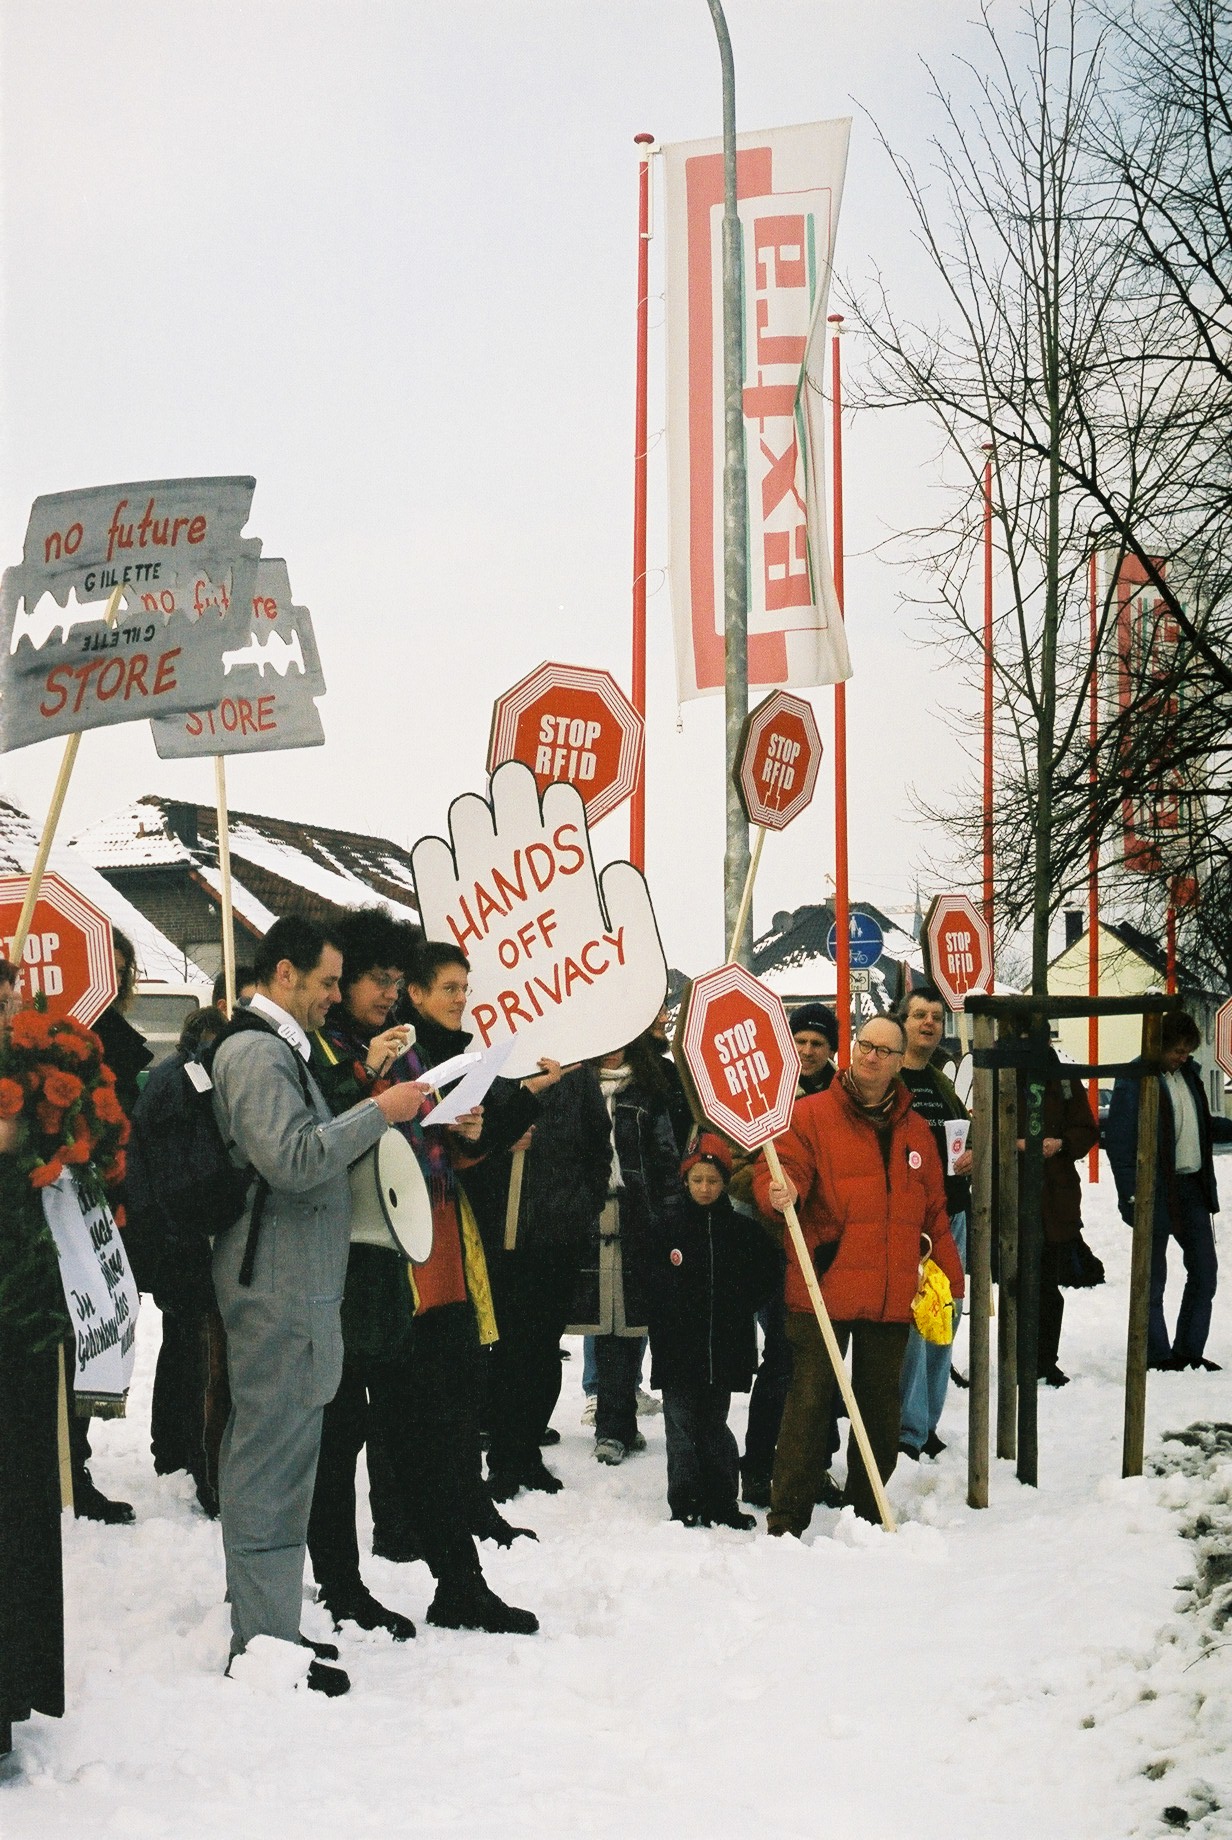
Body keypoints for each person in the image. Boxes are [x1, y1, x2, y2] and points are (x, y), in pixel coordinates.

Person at [209, 914, 429, 1695]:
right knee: (271, 1465)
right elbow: (295, 1158)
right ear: (284, 975)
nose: (335, 997)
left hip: (291, 1283)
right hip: (278, 1289)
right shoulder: (256, 1053)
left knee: (281, 1463)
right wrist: (382, 1110)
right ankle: (262, 1644)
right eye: (328, 982)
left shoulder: (273, 1051)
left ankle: (267, 1626)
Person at [361, 937, 540, 1633]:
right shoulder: (371, 1050)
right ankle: (389, 1547)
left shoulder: (428, 1051)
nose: (459, 999)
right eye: (446, 988)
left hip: (436, 1246)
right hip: (391, 1255)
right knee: (398, 1417)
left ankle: (456, 1572)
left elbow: (447, 1152)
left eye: (465, 988)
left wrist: (476, 1129)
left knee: (439, 1410)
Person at [754, 1013, 963, 1530]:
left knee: (879, 1406)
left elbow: (934, 1208)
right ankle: (787, 1518)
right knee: (809, 1403)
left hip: (891, 1290)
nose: (872, 1056)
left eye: (885, 1051)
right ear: (852, 1049)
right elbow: (781, 1168)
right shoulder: (810, 1114)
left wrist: (949, 1277)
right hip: (824, 1283)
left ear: (899, 1063)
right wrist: (781, 1193)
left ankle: (868, 1512)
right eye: (865, 1045)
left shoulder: (915, 1128)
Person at [483, 1064, 612, 1499]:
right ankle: (502, 1456)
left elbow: (599, 1144)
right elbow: (470, 1140)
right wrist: (502, 1145)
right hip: (503, 1233)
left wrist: (583, 1204)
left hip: (558, 1234)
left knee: (542, 1348)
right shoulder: (497, 1071)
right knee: (506, 1350)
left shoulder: (577, 1078)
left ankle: (528, 1451)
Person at [734, 1001, 838, 1506]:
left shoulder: (846, 1097)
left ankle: (815, 1464)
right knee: (780, 1361)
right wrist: (767, 1189)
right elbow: (733, 1162)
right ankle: (757, 1467)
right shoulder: (762, 1095)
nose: (809, 1050)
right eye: (800, 1041)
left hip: (831, 1251)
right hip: (779, 1250)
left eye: (819, 1042)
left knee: (826, 1367)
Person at [125, 1004, 229, 1511]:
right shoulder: (182, 1083)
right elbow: (184, 1171)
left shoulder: (173, 1078)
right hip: (178, 1237)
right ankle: (191, 1457)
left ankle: (174, 1450)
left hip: (169, 1234)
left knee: (184, 1345)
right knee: (196, 1350)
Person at [0, 959, 65, 1755]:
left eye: (10, 995)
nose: (9, 1006)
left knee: (16, 1502)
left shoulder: (37, 1074)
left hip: (21, 1318)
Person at [649, 1136, 780, 1528]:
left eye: (712, 1181)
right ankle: (686, 1500)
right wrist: (663, 1317)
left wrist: (743, 1302)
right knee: (680, 1428)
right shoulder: (667, 1228)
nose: (705, 1188)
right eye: (697, 1180)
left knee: (714, 1427)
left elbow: (771, 1268)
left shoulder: (740, 1231)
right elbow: (647, 1279)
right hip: (677, 1351)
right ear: (685, 1182)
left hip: (723, 1349)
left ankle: (722, 1501)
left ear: (724, 1182)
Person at [68, 925, 153, 1525]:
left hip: (102, 1205)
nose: (117, 976)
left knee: (91, 1335)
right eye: (107, 964)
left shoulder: (117, 1042)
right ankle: (62, 1466)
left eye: (124, 966)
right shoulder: (66, 1042)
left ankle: (73, 1463)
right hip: (59, 1209)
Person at [571, 1035, 680, 1465]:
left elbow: (665, 1159)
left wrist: (670, 1217)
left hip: (638, 1218)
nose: (612, 1047)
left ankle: (619, 1424)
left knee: (629, 1323)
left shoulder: (648, 1089)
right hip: (587, 1218)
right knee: (604, 1323)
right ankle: (612, 1425)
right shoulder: (574, 1088)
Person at [1108, 1008, 1221, 1371]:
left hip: (1192, 1189)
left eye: (1187, 1051)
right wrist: (1131, 1197)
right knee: (1151, 1277)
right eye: (1177, 1050)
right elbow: (1121, 1144)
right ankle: (1155, 1354)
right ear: (1158, 1046)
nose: (1183, 1057)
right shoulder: (1135, 1079)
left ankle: (1188, 1350)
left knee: (1204, 1271)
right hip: (1154, 1191)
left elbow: (1202, 1126)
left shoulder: (1190, 1076)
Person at [895, 987, 972, 1458]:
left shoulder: (941, 1082)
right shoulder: (888, 1076)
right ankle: (909, 1427)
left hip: (951, 1212)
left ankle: (929, 1422)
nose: (928, 1023)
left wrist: (972, 1155)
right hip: (907, 1219)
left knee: (946, 1314)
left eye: (936, 1017)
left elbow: (966, 1136)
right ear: (902, 1022)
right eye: (919, 1015)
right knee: (911, 1322)